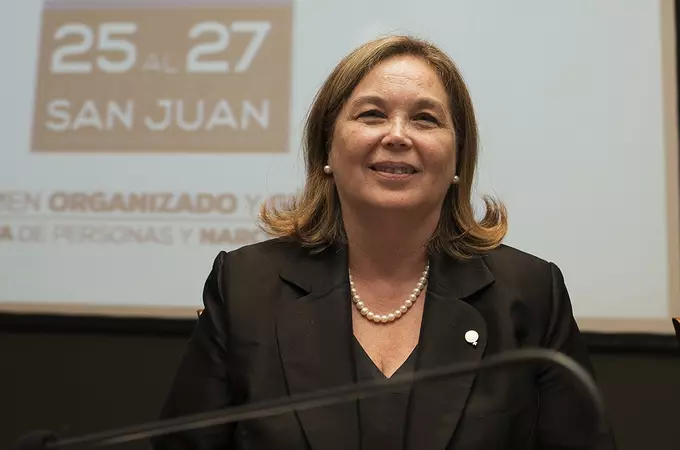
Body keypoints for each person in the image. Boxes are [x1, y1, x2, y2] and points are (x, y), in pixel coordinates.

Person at [153, 35, 617, 450]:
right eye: (372, 115)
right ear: (328, 149)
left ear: (458, 159)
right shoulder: (245, 288)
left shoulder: (530, 293)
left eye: (425, 119)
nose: (397, 136)